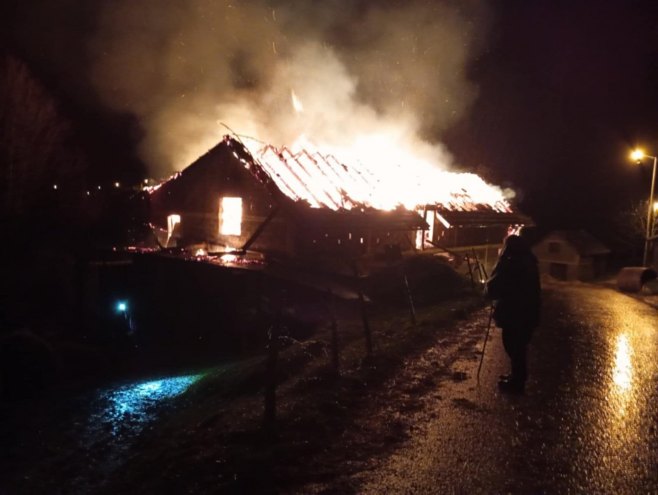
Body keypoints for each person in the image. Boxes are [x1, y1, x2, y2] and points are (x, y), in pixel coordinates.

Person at [485, 234, 541, 394]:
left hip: (515, 313)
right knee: (519, 346)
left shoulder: (512, 263)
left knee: (513, 346)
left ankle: (517, 382)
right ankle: (516, 376)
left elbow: (496, 286)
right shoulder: (528, 261)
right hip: (528, 312)